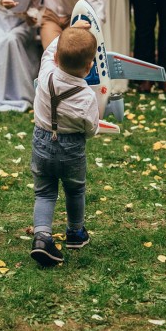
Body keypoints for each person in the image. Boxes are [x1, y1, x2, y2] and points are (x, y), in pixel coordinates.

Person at [28, 21, 99, 267]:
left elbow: (48, 51)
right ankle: (75, 233)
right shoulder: (87, 96)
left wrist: (68, 31)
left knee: (45, 192)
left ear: (57, 58)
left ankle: (42, 237)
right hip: (72, 149)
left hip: (42, 142)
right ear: (89, 66)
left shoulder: (46, 73)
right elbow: (91, 129)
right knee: (75, 190)